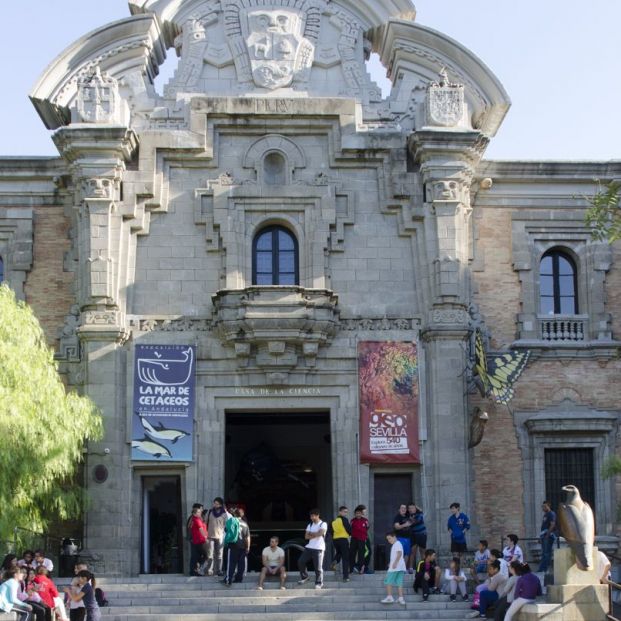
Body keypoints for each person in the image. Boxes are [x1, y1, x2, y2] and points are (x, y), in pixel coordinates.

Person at [298, 508, 327, 590]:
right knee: (301, 561)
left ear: (318, 516)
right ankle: (305, 577)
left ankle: (319, 583)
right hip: (309, 547)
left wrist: (312, 533)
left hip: (319, 548)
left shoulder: (323, 524)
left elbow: (321, 533)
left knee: (318, 567)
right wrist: (316, 534)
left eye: (313, 516)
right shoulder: (310, 525)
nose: (312, 518)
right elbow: (306, 536)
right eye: (311, 516)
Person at [224, 508, 250, 586]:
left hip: (233, 545)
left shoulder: (232, 521)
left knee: (231, 563)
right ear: (242, 515)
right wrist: (247, 547)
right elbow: (247, 537)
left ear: (235, 514)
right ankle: (239, 579)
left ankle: (229, 580)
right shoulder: (245, 524)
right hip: (243, 546)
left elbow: (226, 530)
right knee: (241, 563)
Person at [204, 497, 228, 576]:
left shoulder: (224, 513)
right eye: (214, 503)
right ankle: (209, 570)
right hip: (210, 535)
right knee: (210, 554)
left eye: (217, 504)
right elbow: (205, 522)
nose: (215, 505)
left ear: (221, 504)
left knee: (219, 554)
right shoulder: (210, 512)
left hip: (220, 536)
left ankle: (218, 570)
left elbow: (226, 524)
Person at [381, 531, 406, 605]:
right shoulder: (397, 544)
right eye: (387, 539)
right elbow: (397, 555)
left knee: (388, 581)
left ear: (394, 537)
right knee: (399, 582)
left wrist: (394, 563)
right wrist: (391, 562)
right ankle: (401, 598)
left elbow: (399, 553)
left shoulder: (397, 544)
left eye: (389, 538)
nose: (389, 540)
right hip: (400, 567)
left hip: (395, 567)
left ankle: (389, 597)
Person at [328, 506, 351, 582]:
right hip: (343, 540)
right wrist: (350, 534)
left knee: (339, 553)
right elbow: (349, 529)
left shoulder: (333, 522)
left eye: (346, 512)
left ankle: (335, 560)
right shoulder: (344, 520)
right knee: (346, 558)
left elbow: (330, 531)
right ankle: (345, 577)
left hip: (335, 540)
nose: (345, 513)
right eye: (344, 512)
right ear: (340, 512)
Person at [188, 505, 208, 576]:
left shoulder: (192, 519)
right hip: (199, 541)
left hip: (195, 541)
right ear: (194, 513)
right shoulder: (196, 520)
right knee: (206, 556)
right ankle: (197, 570)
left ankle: (194, 571)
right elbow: (201, 529)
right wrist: (205, 537)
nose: (200, 513)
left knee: (195, 556)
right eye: (199, 512)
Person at [349, 505, 369, 574]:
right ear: (355, 514)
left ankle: (361, 569)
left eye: (359, 513)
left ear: (361, 513)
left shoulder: (365, 521)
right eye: (356, 513)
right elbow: (350, 528)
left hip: (362, 539)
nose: (358, 514)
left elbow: (367, 528)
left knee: (361, 554)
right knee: (352, 554)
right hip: (354, 539)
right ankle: (351, 569)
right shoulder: (352, 521)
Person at [538, 500, 557, 573]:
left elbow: (552, 524)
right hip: (544, 536)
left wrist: (547, 535)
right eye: (542, 506)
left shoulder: (551, 514)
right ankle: (542, 569)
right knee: (544, 553)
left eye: (544, 506)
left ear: (548, 506)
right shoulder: (545, 515)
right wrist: (541, 537)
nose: (543, 508)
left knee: (547, 553)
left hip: (548, 536)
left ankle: (545, 569)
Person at [407, 503, 427, 573]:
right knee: (412, 551)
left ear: (415, 508)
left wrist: (410, 521)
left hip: (421, 534)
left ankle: (425, 568)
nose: (411, 510)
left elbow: (416, 521)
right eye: (409, 508)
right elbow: (408, 523)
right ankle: (411, 568)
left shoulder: (420, 514)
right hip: (413, 535)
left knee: (422, 552)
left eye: (412, 508)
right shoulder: (408, 515)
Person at [392, 504, 412, 570]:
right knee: (400, 553)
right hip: (400, 538)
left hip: (408, 538)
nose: (403, 509)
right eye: (402, 508)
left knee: (407, 553)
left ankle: (404, 568)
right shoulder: (397, 517)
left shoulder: (408, 516)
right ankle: (397, 568)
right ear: (399, 510)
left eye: (405, 508)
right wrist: (405, 525)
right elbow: (396, 526)